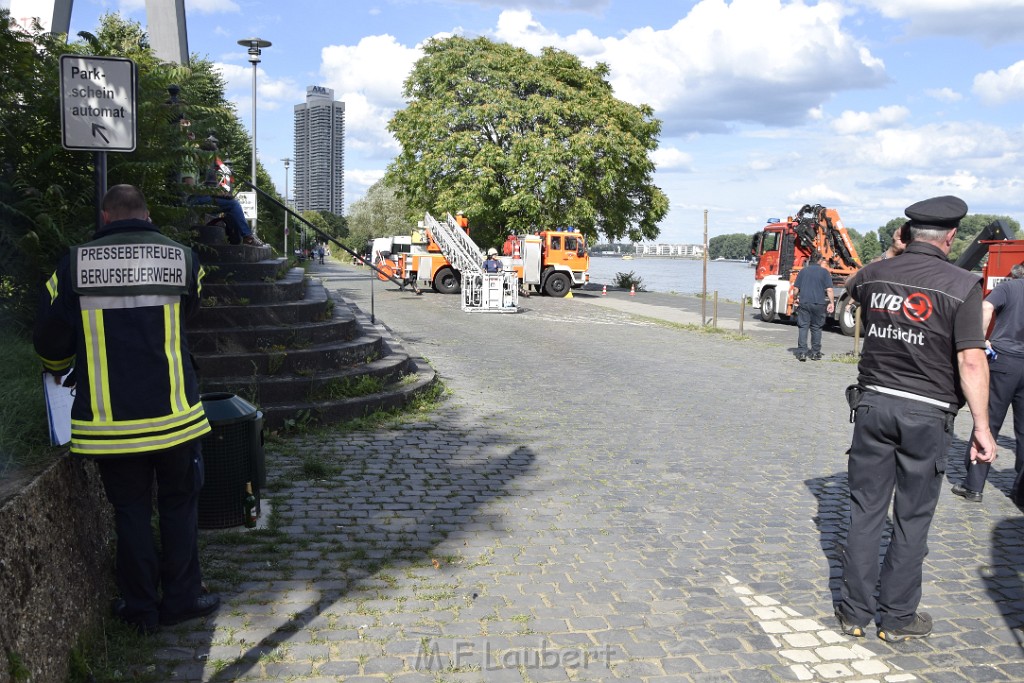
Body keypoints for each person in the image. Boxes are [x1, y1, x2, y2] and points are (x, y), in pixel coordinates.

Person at [33, 185, 221, 634]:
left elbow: (50, 336)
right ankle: (181, 599)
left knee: (131, 512)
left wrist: (59, 367)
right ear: (148, 213)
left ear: (105, 217)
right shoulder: (183, 259)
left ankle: (141, 609)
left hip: (112, 425)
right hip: (176, 417)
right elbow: (187, 313)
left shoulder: (74, 263)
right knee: (178, 507)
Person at [835, 195, 996, 642]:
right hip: (926, 414)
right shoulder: (963, 284)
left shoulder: (878, 273)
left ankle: (853, 613)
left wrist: (891, 254)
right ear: (951, 236)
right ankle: (898, 616)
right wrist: (982, 428)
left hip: (872, 406)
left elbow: (849, 288)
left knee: (865, 511)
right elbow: (970, 361)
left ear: (906, 234)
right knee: (911, 517)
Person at [951, 262, 1024, 504]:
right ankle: (1021, 491)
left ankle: (974, 486)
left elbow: (985, 307)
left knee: (988, 421)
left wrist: (981, 341)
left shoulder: (1010, 287)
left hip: (1005, 361)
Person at [182, 174, 261, 246]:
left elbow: (198, 187)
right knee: (233, 205)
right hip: (192, 200)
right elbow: (190, 188)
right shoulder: (189, 162)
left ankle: (241, 238)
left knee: (231, 205)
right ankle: (247, 237)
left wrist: (218, 193)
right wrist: (214, 192)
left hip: (197, 198)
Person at [791, 252, 835, 361]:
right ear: (820, 260)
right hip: (819, 304)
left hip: (805, 302)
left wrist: (795, 298)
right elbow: (829, 289)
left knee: (803, 327)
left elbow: (796, 289)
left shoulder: (803, 271)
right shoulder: (825, 272)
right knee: (816, 328)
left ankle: (802, 353)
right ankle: (815, 353)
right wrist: (831, 303)